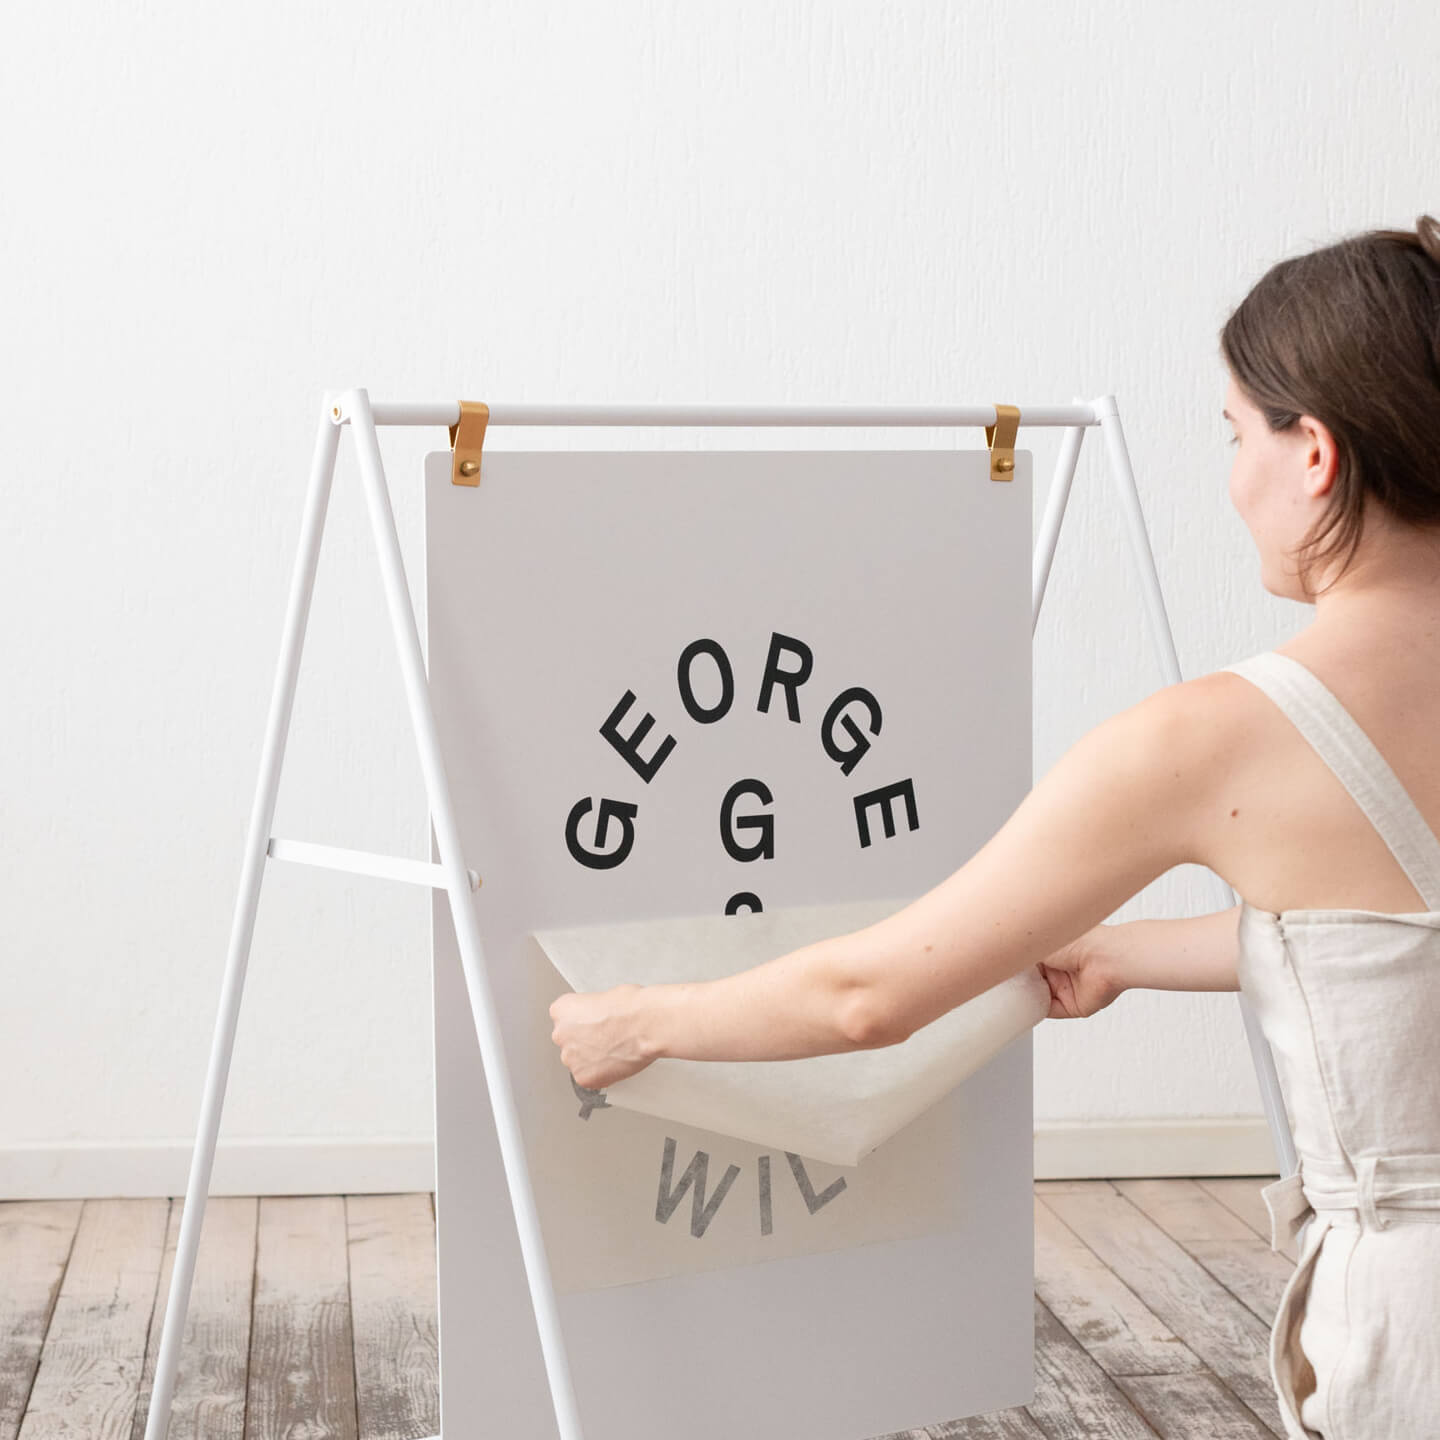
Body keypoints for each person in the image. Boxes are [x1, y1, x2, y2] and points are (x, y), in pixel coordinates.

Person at [550, 215, 1440, 1439]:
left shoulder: (1215, 738)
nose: (1231, 478)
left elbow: (870, 996)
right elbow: (1387, 942)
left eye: (1236, 434)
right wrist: (1123, 952)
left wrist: (638, 1021)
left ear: (1317, 454)